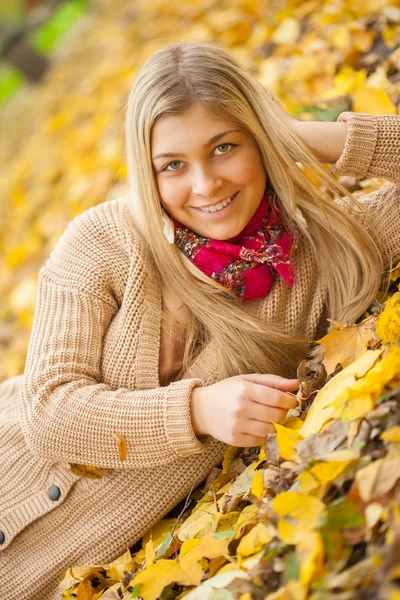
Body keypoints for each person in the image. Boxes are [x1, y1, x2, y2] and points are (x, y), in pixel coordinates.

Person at [0, 41, 399, 599]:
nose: (206, 185)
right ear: (148, 171)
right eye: (173, 166)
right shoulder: (105, 241)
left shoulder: (320, 258)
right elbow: (49, 414)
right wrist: (196, 410)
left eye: (225, 147)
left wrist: (298, 136)